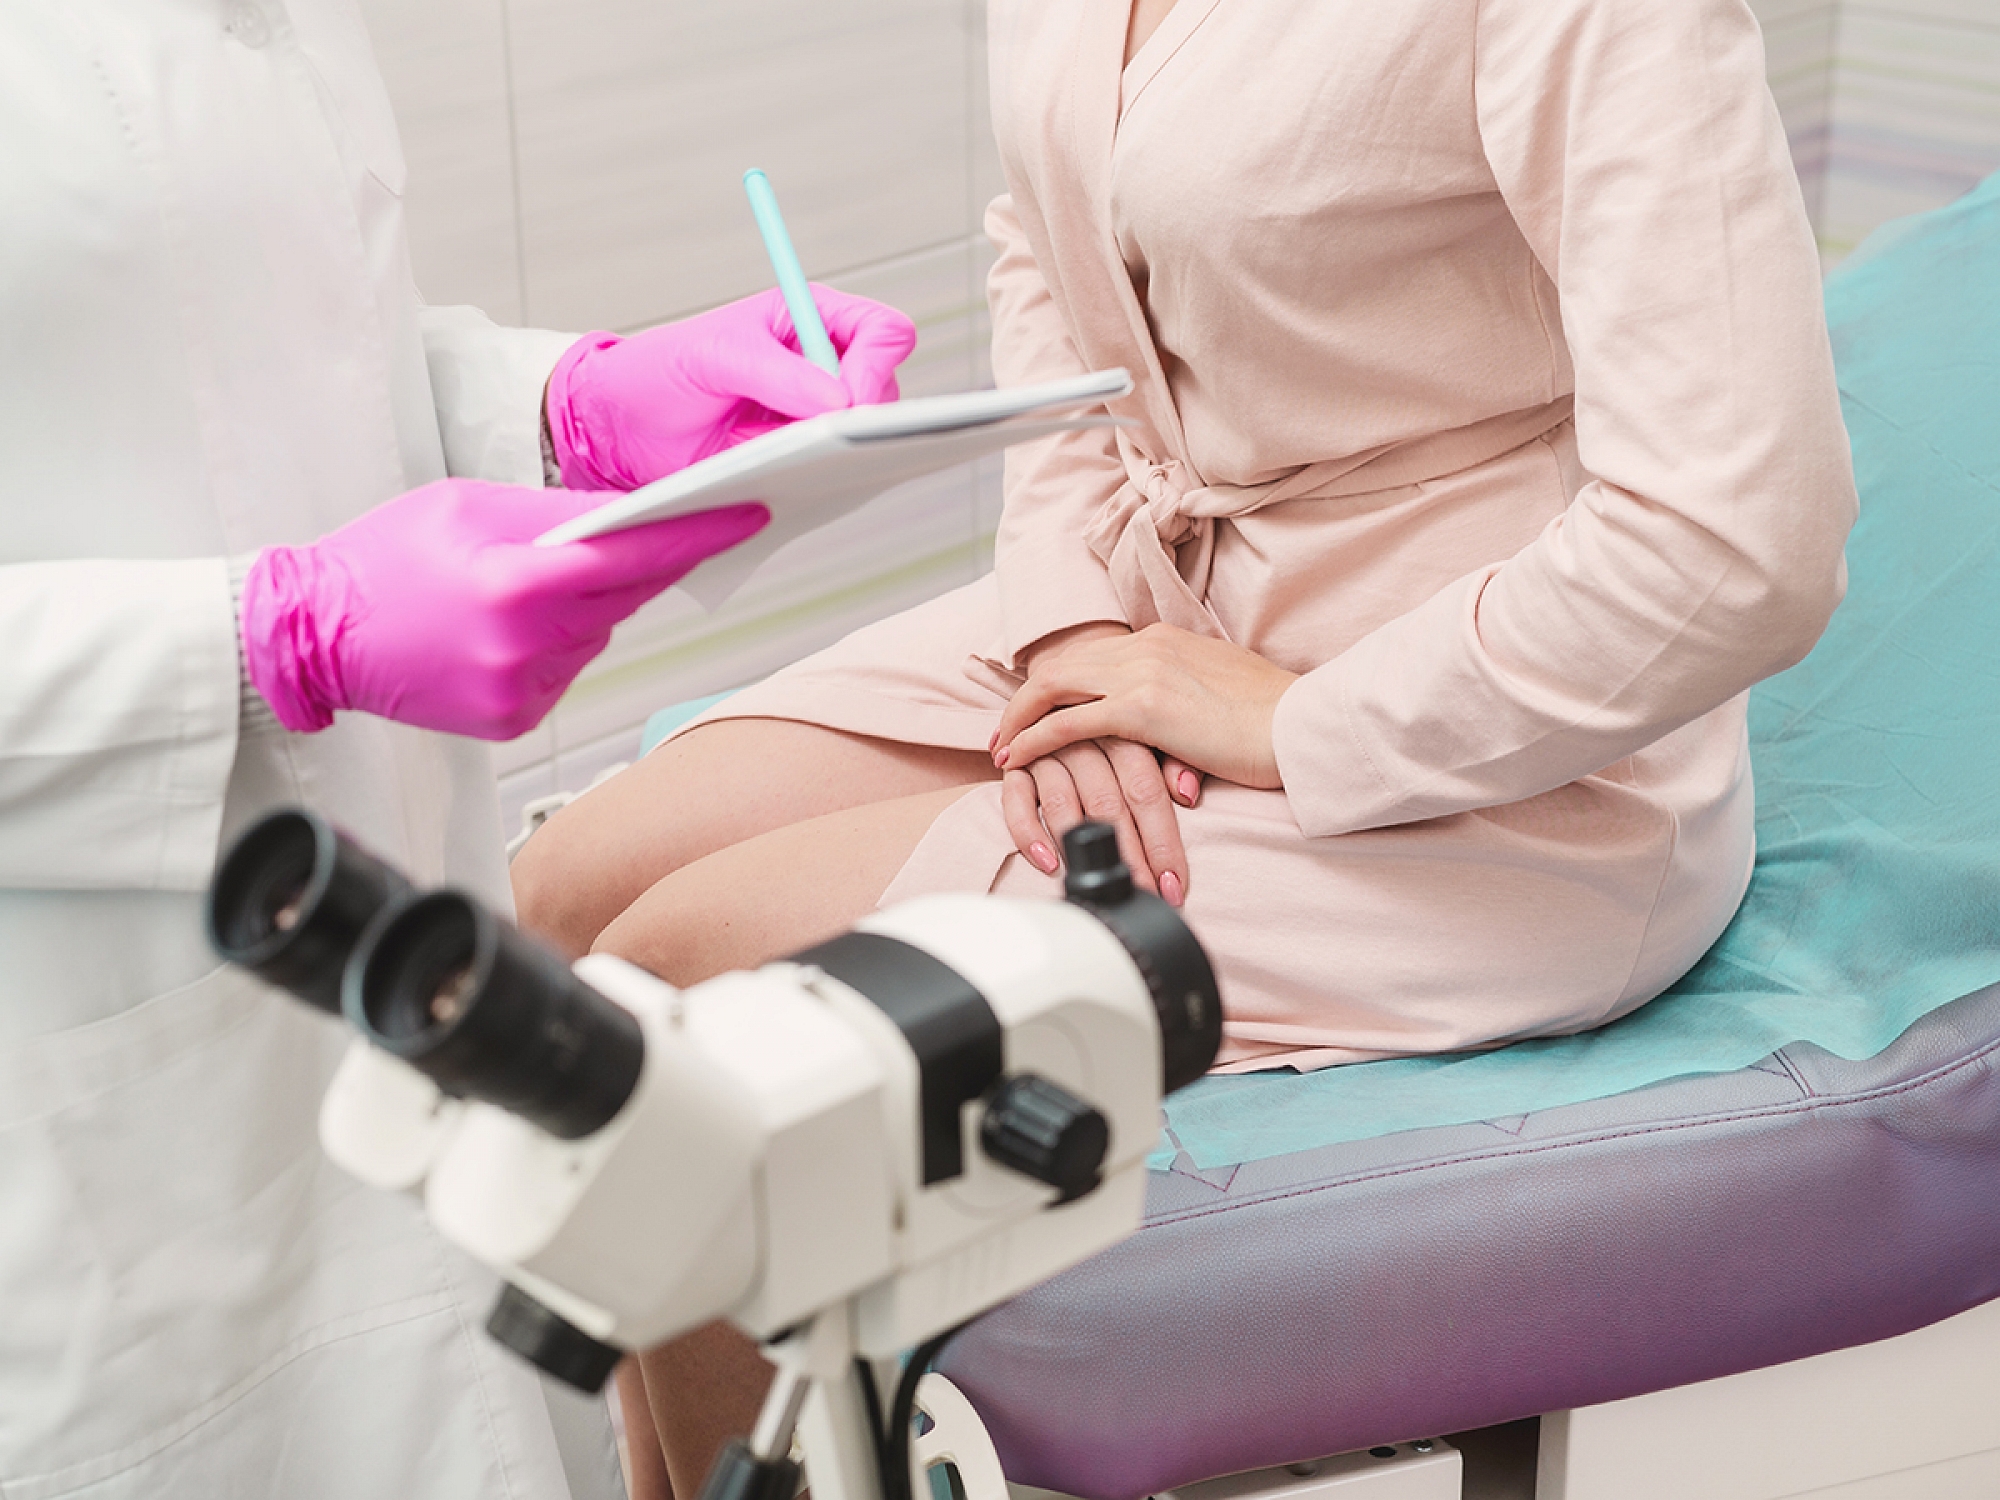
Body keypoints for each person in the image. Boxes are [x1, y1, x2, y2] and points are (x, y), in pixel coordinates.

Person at [511, 0, 1860, 1489]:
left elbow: (1741, 540)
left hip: (1512, 734)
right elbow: (1047, 235)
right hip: (1157, 589)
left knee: (708, 1019)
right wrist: (1072, 625)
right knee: (569, 903)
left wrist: (1295, 720)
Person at [0, 5, 915, 1498]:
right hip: (87, 1109)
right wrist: (268, 638)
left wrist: (561, 414)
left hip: (380, 969)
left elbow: (249, 341)